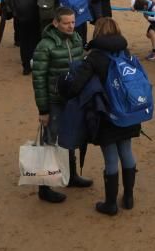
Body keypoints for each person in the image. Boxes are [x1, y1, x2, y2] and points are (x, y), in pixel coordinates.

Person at [62, 17, 141, 216]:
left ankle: (110, 203)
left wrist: (62, 86)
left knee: (111, 158)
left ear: (97, 33)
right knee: (127, 151)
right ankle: (129, 197)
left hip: (107, 114)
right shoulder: (124, 51)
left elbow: (76, 86)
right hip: (129, 112)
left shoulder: (95, 57)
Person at [31, 7, 93, 203]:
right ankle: (44, 187)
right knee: (49, 142)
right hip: (54, 101)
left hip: (72, 100)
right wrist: (43, 109)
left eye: (73, 22)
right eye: (66, 23)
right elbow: (38, 78)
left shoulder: (76, 40)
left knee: (71, 137)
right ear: (56, 23)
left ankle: (72, 175)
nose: (71, 26)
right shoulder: (45, 45)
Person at [7, 0, 41, 75]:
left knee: (24, 42)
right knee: (34, 41)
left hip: (19, 16)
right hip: (33, 16)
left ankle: (26, 66)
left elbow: (10, 0)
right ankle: (34, 64)